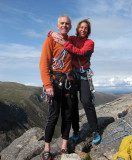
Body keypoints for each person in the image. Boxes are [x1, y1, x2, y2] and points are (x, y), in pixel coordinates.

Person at [48, 19, 101, 145]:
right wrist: (51, 33)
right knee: (72, 105)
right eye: (81, 27)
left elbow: (81, 53)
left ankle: (95, 130)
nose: (83, 30)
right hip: (71, 76)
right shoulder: (72, 38)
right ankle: (76, 130)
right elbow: (59, 36)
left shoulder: (90, 43)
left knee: (86, 101)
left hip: (82, 75)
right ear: (77, 28)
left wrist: (65, 44)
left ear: (88, 31)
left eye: (86, 28)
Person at [39, 14, 76, 160]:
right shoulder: (50, 41)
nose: (64, 25)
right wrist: (48, 85)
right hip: (55, 82)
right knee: (53, 116)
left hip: (69, 83)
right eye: (62, 23)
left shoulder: (72, 42)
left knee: (67, 116)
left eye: (67, 24)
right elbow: (43, 64)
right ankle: (47, 148)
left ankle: (64, 147)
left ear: (70, 26)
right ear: (57, 26)